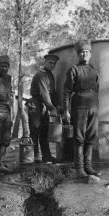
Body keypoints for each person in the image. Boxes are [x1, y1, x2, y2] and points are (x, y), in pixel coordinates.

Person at [62, 40, 101, 177]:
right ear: (78, 55)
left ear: (90, 54)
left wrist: (96, 106)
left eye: (86, 52)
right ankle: (79, 168)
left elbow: (97, 89)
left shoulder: (93, 70)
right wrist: (65, 110)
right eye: (81, 52)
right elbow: (66, 91)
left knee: (91, 136)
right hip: (79, 106)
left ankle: (88, 166)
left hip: (93, 106)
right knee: (79, 138)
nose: (84, 54)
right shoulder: (73, 70)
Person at [28, 53, 62, 163]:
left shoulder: (50, 75)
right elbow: (44, 94)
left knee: (44, 132)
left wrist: (58, 105)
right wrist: (52, 108)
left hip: (44, 107)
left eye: (54, 64)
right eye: (50, 63)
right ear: (45, 62)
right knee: (35, 132)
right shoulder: (40, 75)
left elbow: (53, 93)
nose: (52, 65)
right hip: (35, 106)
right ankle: (34, 157)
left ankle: (46, 156)